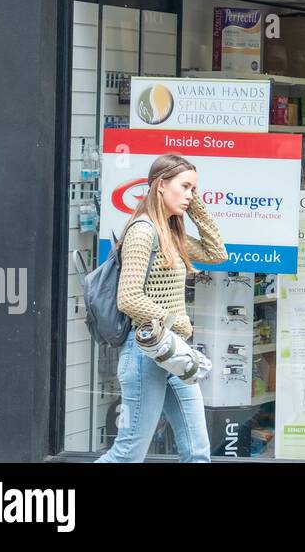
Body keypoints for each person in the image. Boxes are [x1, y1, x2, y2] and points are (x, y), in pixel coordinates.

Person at [97, 154, 228, 462]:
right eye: (184, 187)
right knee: (128, 454)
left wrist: (193, 204)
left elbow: (217, 251)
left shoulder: (169, 232)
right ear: (160, 185)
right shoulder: (143, 231)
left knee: (197, 453)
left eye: (193, 189)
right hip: (145, 354)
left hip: (172, 353)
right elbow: (128, 298)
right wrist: (175, 321)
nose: (189, 195)